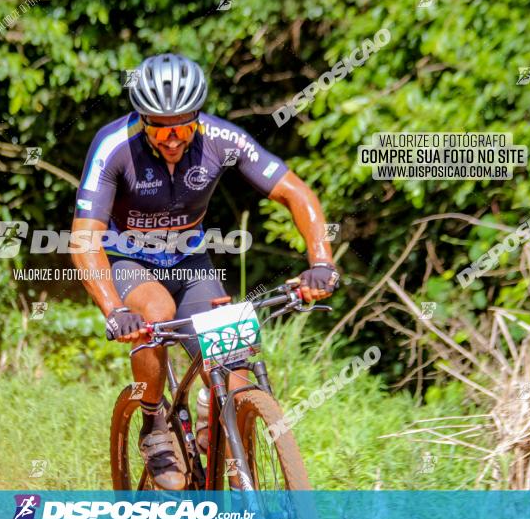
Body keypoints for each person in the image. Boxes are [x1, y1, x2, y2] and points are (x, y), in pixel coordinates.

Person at [70, 53, 339, 490]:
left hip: (190, 261)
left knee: (234, 365)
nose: (173, 137)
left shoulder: (220, 138)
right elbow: (84, 239)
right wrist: (114, 309)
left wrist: (322, 261)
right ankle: (155, 424)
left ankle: (222, 451)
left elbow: (295, 192)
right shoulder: (114, 145)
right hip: (127, 260)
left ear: (198, 116)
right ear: (142, 119)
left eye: (183, 124)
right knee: (154, 312)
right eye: (160, 125)